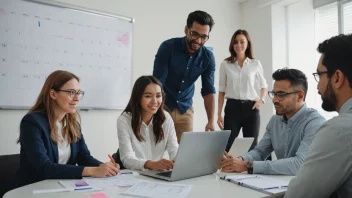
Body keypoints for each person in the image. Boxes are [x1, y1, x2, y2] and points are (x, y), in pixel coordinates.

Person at [16, 70, 119, 187]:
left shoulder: (73, 124)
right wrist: (93, 171)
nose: (77, 99)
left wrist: (104, 167)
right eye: (71, 92)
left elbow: (84, 157)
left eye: (78, 93)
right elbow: (44, 167)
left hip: (63, 187)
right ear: (53, 94)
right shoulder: (32, 122)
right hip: (34, 188)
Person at [220, 68, 325, 175]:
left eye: (281, 95)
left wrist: (248, 166)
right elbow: (259, 152)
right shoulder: (275, 121)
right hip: (282, 185)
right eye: (274, 94)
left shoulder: (315, 123)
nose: (274, 100)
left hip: (309, 187)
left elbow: (299, 164)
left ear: (299, 96)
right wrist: (237, 160)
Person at [285, 34, 352, 198]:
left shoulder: (338, 130)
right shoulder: (274, 121)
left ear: (337, 78)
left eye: (319, 75)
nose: (317, 86)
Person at [153, 10, 216, 143]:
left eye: (204, 37)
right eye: (194, 34)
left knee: (185, 155)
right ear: (186, 29)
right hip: (163, 108)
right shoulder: (168, 47)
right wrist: (156, 112)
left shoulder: (208, 57)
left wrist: (210, 121)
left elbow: (208, 90)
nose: (198, 40)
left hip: (185, 110)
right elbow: (158, 82)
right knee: (156, 151)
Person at [217, 29, 268, 152]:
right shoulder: (225, 64)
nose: (238, 45)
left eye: (242, 42)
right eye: (235, 42)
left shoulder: (255, 63)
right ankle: (226, 169)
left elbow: (264, 85)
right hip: (232, 108)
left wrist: (261, 100)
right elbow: (221, 90)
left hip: (251, 108)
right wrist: (218, 114)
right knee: (227, 144)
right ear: (232, 44)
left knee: (252, 145)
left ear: (247, 44)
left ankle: (250, 170)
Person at [117, 76, 179, 171]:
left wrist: (179, 161)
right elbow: (127, 158)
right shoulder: (124, 120)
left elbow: (174, 149)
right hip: (132, 173)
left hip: (156, 174)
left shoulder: (166, 118)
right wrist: (150, 164)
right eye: (148, 96)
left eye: (158, 96)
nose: (154, 101)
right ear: (138, 98)